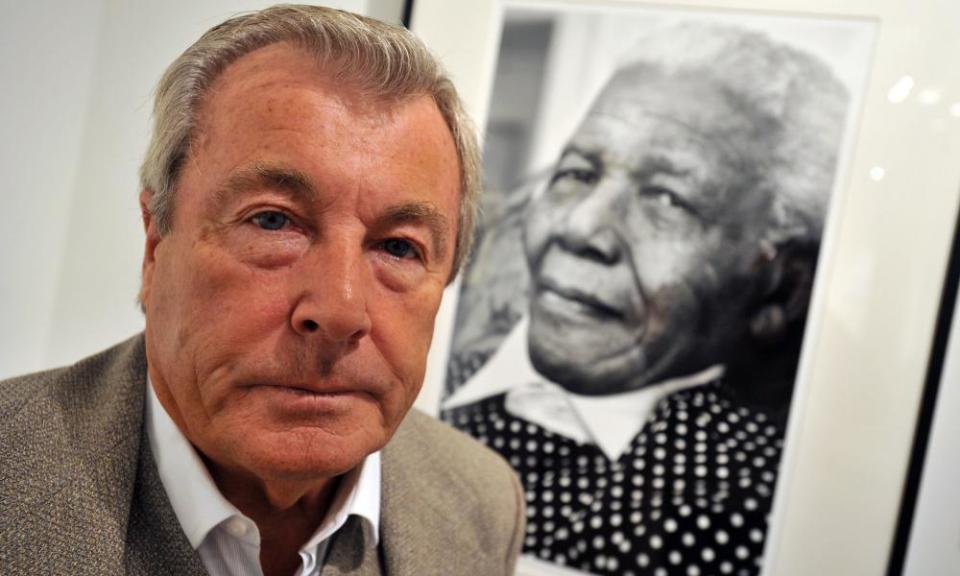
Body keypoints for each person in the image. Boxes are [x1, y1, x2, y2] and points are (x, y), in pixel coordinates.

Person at [0, 6, 524, 576]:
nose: (340, 309)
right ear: (155, 243)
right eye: (273, 221)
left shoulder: (483, 502)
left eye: (398, 247)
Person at [443, 22, 849, 576]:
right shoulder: (418, 385)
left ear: (781, 286)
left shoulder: (754, 502)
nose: (581, 227)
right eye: (578, 172)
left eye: (667, 198)